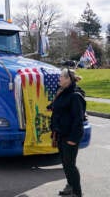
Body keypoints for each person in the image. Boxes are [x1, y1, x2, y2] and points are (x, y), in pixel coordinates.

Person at [50, 68, 85, 197]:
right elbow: (57, 106)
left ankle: (77, 192)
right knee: (65, 164)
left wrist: (73, 138)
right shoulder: (62, 93)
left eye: (61, 77)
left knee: (70, 165)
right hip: (60, 134)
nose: (59, 79)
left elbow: (78, 119)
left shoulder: (75, 96)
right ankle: (70, 187)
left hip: (70, 136)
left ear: (68, 79)